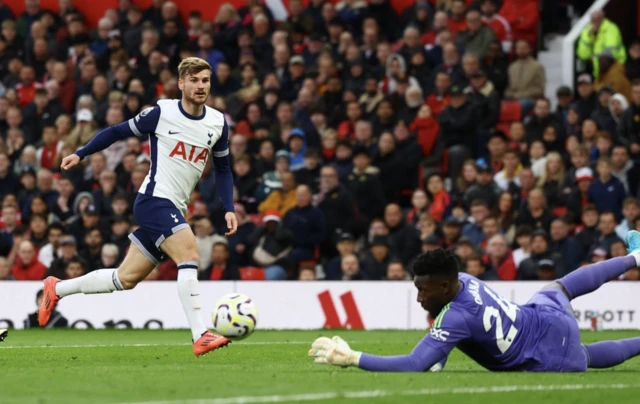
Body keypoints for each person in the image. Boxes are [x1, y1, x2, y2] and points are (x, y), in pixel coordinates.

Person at [37, 57, 238, 357]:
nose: (200, 86)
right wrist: (81, 154)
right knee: (190, 254)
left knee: (125, 278)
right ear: (181, 83)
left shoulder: (218, 123)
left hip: (174, 208)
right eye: (194, 80)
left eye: (205, 80)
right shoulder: (162, 113)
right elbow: (117, 131)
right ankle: (200, 334)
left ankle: (57, 288)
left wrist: (229, 207)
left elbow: (223, 169)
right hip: (153, 200)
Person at [310, 232, 640, 372]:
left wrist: (353, 357)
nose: (419, 297)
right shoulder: (465, 280)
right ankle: (634, 256)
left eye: (424, 291)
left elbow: (413, 365)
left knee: (586, 355)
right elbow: (453, 335)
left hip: (545, 354)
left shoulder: (456, 317)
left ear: (442, 285)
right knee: (563, 285)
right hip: (544, 315)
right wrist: (439, 358)